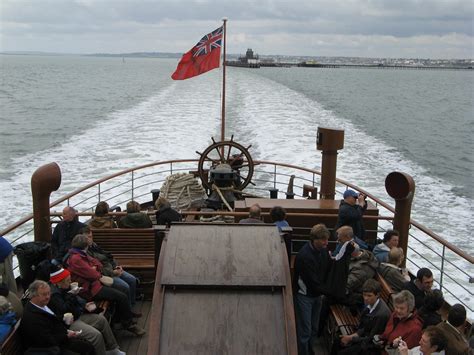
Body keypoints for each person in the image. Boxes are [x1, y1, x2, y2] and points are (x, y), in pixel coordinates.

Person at [67, 234, 145, 336]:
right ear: (85, 246)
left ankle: (119, 320)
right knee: (121, 297)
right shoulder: (77, 259)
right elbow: (93, 274)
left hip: (95, 285)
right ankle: (128, 324)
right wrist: (94, 269)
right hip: (90, 290)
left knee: (121, 292)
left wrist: (95, 268)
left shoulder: (81, 255)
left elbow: (98, 263)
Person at [48, 266, 125, 355]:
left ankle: (113, 348)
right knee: (95, 335)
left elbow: (74, 305)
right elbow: (64, 310)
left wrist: (84, 306)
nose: (70, 282)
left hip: (78, 315)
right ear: (59, 282)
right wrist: (72, 295)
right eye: (68, 280)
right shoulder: (54, 295)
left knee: (101, 320)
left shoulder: (64, 287)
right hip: (68, 323)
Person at [20, 280, 95, 354]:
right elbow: (46, 341)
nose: (48, 297)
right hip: (49, 349)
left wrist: (63, 318)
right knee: (86, 348)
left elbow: (51, 322)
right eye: (44, 294)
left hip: (58, 341)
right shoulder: (32, 317)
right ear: (33, 296)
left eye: (49, 293)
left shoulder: (41, 305)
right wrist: (66, 335)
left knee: (88, 347)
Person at [293, 224, 332, 355]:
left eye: (326, 239)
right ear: (314, 239)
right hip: (305, 296)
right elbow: (311, 282)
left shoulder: (323, 251)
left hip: (317, 295)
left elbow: (326, 269)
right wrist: (330, 291)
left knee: (314, 328)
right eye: (323, 240)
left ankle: (310, 350)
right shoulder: (304, 256)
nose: (326, 242)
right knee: (305, 330)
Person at [82, 226, 140, 311]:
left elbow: (108, 257)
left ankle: (131, 305)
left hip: (112, 269)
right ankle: (128, 311)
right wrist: (113, 272)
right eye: (88, 237)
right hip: (106, 275)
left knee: (132, 280)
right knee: (125, 287)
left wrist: (117, 266)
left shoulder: (94, 246)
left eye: (91, 236)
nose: (90, 239)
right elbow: (98, 269)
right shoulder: (85, 252)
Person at [336, 279, 391, 354]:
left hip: (368, 346)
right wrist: (352, 336)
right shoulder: (369, 304)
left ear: (377, 295)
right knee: (337, 341)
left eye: (369, 295)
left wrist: (351, 339)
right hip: (363, 336)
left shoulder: (381, 314)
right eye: (364, 295)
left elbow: (371, 339)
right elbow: (364, 327)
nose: (365, 298)